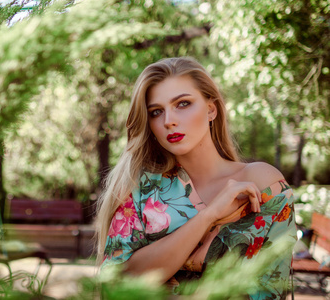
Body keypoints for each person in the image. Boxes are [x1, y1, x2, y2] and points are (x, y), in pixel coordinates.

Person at [95, 57, 296, 299]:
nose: (168, 120)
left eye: (182, 104)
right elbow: (115, 283)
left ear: (211, 109)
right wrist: (208, 216)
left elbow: (272, 286)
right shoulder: (142, 189)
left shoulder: (263, 183)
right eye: (156, 111)